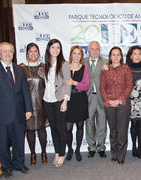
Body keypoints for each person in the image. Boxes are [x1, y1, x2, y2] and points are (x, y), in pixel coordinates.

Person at [0, 42, 33, 178]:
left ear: (13, 53)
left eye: (10, 51)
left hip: (18, 113)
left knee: (19, 141)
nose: (7, 53)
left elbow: (25, 91)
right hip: (0, 114)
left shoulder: (19, 69)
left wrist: (28, 109)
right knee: (3, 142)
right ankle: (6, 166)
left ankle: (19, 163)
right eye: (4, 51)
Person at [100, 46, 133, 164]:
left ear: (121, 57)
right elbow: (102, 87)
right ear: (110, 57)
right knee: (113, 130)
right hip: (109, 104)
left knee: (122, 130)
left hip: (123, 104)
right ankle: (114, 152)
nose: (115, 56)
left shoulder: (126, 69)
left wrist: (119, 100)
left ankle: (121, 154)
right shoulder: (105, 69)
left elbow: (129, 86)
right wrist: (108, 100)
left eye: (118, 54)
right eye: (113, 54)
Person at [43, 39, 71, 167]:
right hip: (47, 100)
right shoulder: (45, 65)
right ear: (49, 49)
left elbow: (68, 83)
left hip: (59, 100)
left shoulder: (64, 64)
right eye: (53, 47)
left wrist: (65, 101)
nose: (55, 50)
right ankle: (56, 151)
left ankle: (61, 154)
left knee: (61, 128)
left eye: (58, 47)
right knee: (53, 128)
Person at [20, 43, 48, 165]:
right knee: (29, 130)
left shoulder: (44, 67)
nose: (33, 54)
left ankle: (43, 152)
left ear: (39, 53)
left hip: (42, 103)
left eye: (35, 51)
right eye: (30, 51)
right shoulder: (20, 68)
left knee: (42, 129)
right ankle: (32, 153)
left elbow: (49, 86)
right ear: (27, 53)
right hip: (27, 104)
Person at [126, 46, 141, 159]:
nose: (137, 56)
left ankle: (140, 147)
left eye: (139, 54)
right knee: (133, 124)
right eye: (135, 54)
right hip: (130, 100)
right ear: (131, 56)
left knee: (140, 124)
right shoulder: (125, 68)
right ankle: (134, 146)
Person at [84, 41, 108, 158]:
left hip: (102, 97)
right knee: (89, 123)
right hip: (87, 97)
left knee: (102, 123)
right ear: (88, 50)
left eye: (97, 49)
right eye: (92, 49)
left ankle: (101, 147)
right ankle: (92, 147)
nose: (94, 51)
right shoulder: (82, 62)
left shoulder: (106, 62)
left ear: (100, 50)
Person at [66, 46, 90, 162]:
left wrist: (74, 82)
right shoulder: (65, 67)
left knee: (80, 126)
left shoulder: (84, 68)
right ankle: (69, 149)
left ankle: (78, 150)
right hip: (68, 100)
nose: (76, 56)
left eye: (78, 54)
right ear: (71, 54)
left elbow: (86, 86)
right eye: (74, 53)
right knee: (68, 128)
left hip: (80, 99)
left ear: (81, 56)